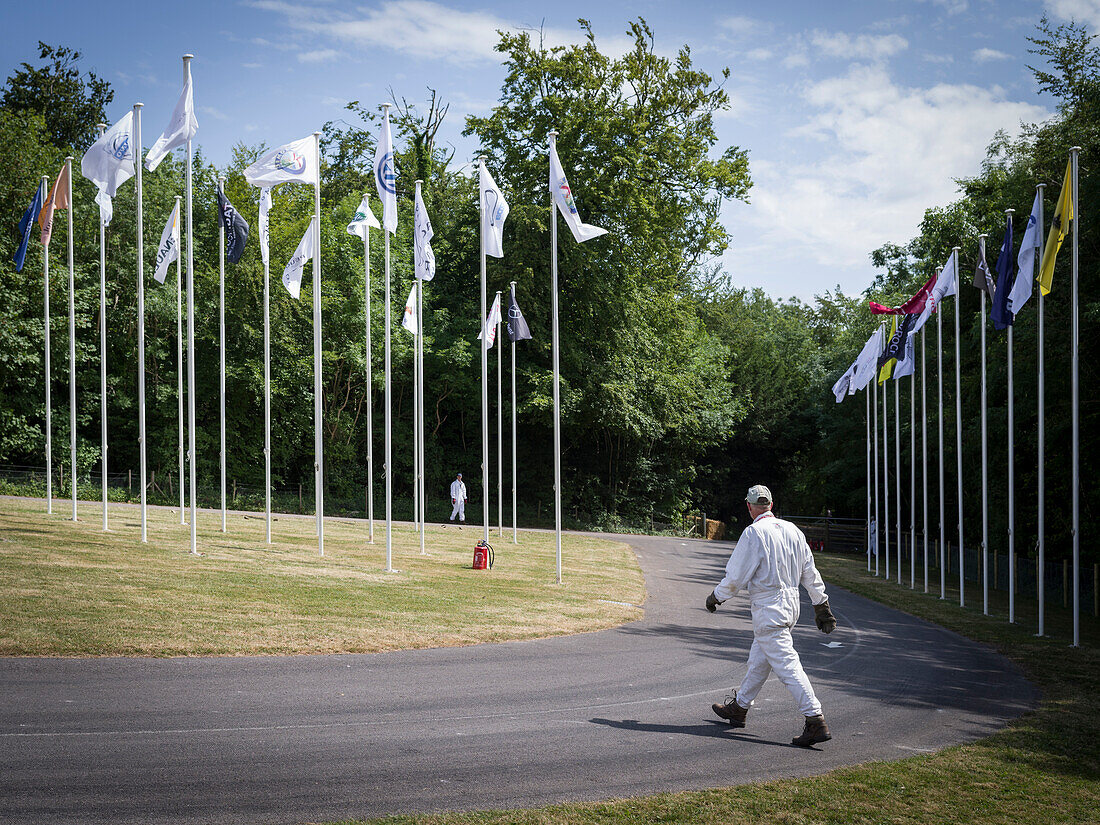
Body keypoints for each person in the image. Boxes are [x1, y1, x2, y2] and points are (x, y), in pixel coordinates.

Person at [705, 484, 838, 747]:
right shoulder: (793, 530)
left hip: (768, 608)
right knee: (759, 660)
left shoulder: (753, 533)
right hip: (790, 606)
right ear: (772, 505)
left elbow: (736, 577)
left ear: (749, 506)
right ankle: (739, 708)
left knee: (788, 665)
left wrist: (716, 596)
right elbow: (809, 572)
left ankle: (815, 720)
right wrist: (821, 605)